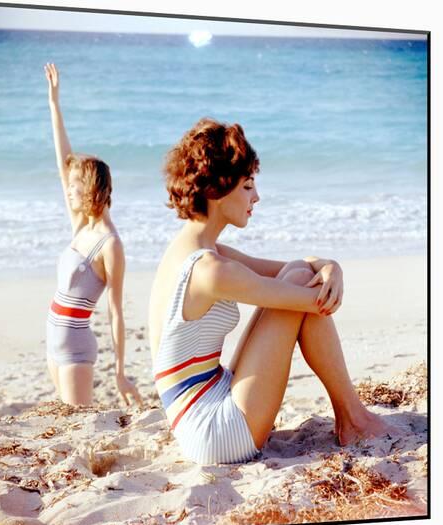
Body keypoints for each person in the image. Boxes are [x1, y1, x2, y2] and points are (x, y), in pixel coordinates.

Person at [148, 117, 398, 465]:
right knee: (298, 281)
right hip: (215, 434)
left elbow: (290, 267)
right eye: (248, 185)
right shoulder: (210, 270)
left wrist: (330, 266)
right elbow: (314, 300)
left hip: (204, 404)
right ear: (219, 188)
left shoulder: (196, 251)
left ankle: (352, 416)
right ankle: (354, 419)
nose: (257, 197)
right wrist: (326, 280)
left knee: (296, 272)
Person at [44, 62, 142, 408]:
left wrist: (120, 372)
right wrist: (54, 104)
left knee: (77, 424)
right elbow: (63, 163)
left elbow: (116, 312)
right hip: (52, 337)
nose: (67, 191)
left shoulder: (110, 244)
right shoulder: (80, 224)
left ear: (88, 190)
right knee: (64, 420)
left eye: (74, 187)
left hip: (75, 347)